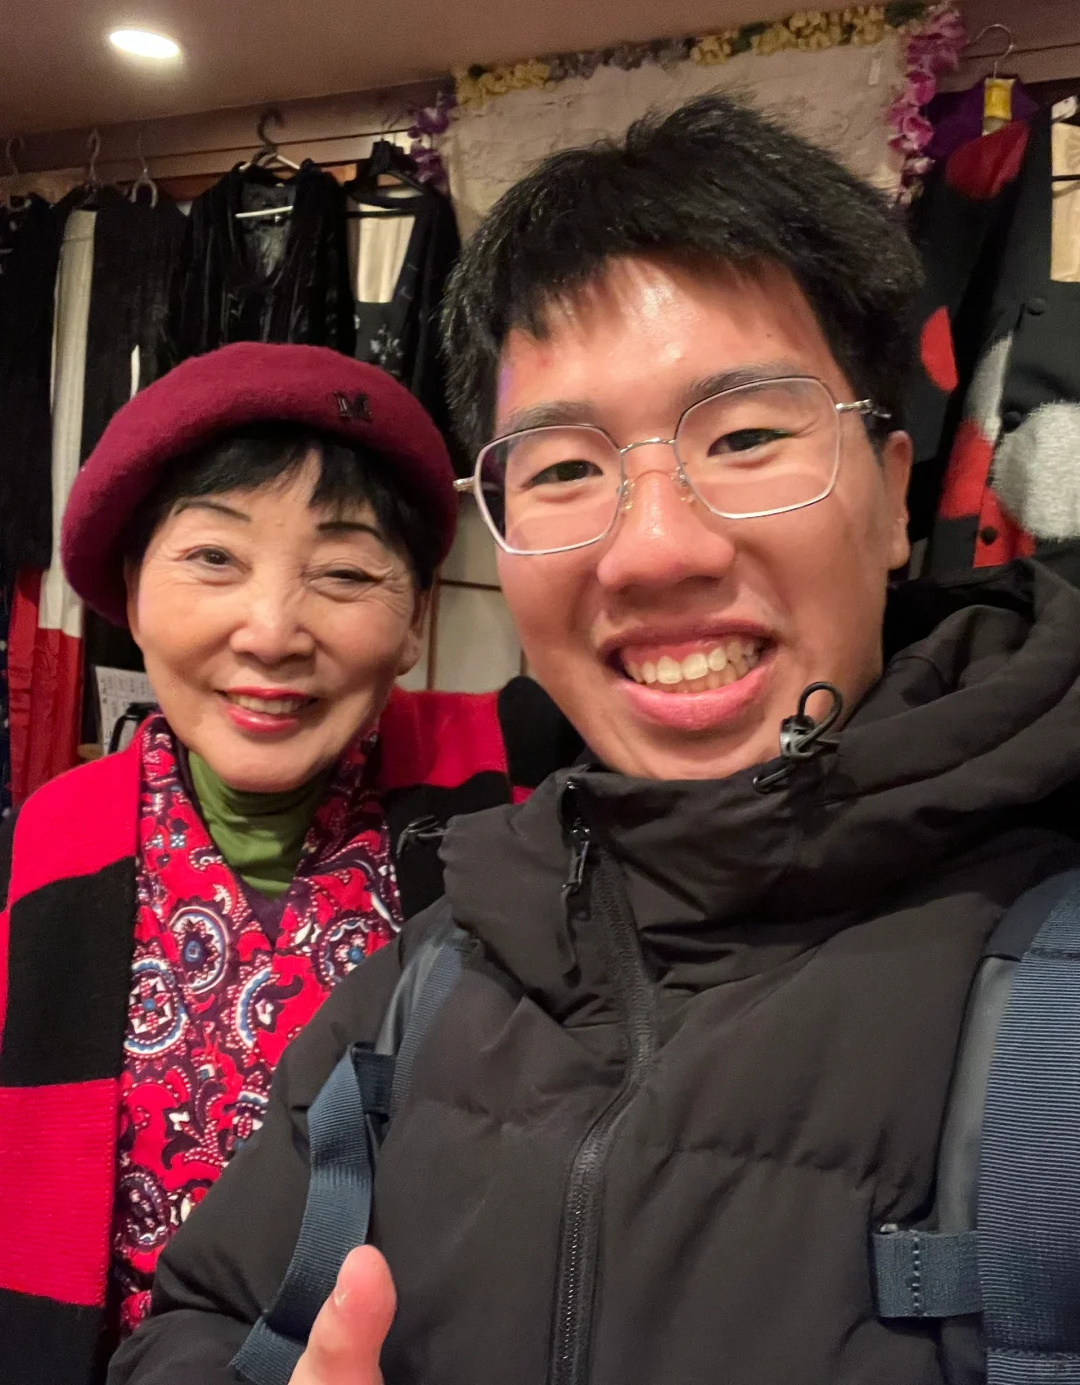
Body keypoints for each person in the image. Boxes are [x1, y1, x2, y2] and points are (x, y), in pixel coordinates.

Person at [109, 95, 1080, 1385]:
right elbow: (199, 1318)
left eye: (743, 438)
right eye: (565, 468)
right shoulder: (447, 961)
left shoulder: (1050, 975)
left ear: (898, 491)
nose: (658, 545)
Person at [0, 342, 578, 1384]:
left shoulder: (520, 783)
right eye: (213, 559)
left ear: (414, 623)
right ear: (131, 596)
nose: (271, 632)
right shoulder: (46, 842)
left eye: (346, 574)